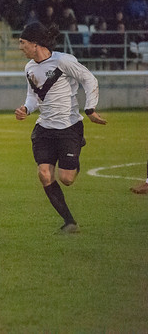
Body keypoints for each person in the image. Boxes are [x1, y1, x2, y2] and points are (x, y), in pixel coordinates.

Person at [15, 22, 107, 234]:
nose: (20, 47)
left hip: (69, 127)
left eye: (23, 43)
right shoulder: (29, 67)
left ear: (35, 44)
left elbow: (89, 79)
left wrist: (90, 108)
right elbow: (34, 96)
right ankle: (69, 222)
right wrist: (26, 110)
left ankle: (76, 151)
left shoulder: (64, 61)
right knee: (44, 174)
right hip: (44, 128)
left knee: (67, 179)